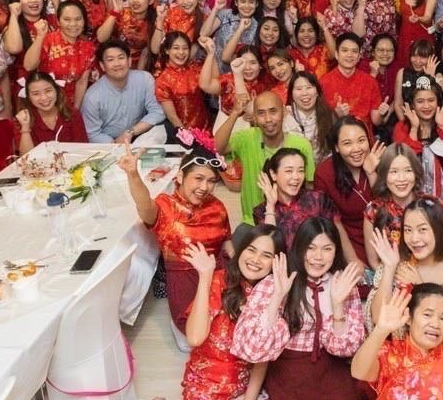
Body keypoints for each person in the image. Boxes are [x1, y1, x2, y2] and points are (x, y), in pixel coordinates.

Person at [115, 229, 280, 400]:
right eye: (251, 250)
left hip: (242, 389)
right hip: (207, 387)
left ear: (276, 262)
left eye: (266, 255)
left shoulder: (273, 295)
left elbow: (262, 359)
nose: (256, 260)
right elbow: (194, 337)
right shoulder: (219, 281)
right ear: (240, 251)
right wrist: (205, 277)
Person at [231, 217, 375, 400]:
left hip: (329, 367)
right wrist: (278, 297)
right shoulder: (277, 280)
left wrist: (337, 304)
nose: (318, 257)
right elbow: (253, 348)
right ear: (299, 248)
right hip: (289, 373)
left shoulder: (341, 283)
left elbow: (345, 348)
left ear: (336, 251)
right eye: (311, 248)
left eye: (327, 248)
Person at [121, 133, 232, 331]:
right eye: (198, 178)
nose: (204, 187)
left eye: (211, 181)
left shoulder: (217, 206)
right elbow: (144, 206)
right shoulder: (166, 206)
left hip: (220, 277)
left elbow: (227, 243)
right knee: (204, 332)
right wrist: (133, 175)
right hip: (186, 284)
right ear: (180, 176)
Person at [369, 197, 443, 349]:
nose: (414, 238)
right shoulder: (399, 265)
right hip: (399, 356)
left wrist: (420, 286)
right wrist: (389, 268)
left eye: (422, 230)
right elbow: (378, 318)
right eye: (408, 230)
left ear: (439, 229)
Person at [217, 90, 315, 224]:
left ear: (284, 112)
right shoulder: (246, 138)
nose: (268, 119)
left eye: (273, 111)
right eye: (261, 113)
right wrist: (234, 113)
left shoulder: (301, 145)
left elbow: (310, 188)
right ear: (254, 117)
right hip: (252, 222)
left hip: (291, 222)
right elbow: (216, 148)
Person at [313, 117, 382, 264]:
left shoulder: (380, 160)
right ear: (336, 147)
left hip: (385, 236)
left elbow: (388, 207)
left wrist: (371, 174)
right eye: (347, 143)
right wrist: (352, 259)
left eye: (361, 140)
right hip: (349, 243)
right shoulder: (325, 173)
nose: (356, 149)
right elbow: (333, 221)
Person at [81, 39, 166, 143]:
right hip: (108, 143)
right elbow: (92, 134)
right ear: (102, 66)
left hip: (139, 136)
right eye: (110, 60)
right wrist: (115, 144)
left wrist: (131, 132)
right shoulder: (93, 96)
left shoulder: (144, 79)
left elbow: (157, 112)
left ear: (129, 61)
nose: (117, 64)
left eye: (121, 58)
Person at [16, 70, 89, 149]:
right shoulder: (23, 119)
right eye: (36, 94)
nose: (44, 98)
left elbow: (83, 149)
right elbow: (26, 155)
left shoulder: (72, 114)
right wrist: (25, 128)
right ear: (28, 97)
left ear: (56, 90)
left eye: (48, 91)